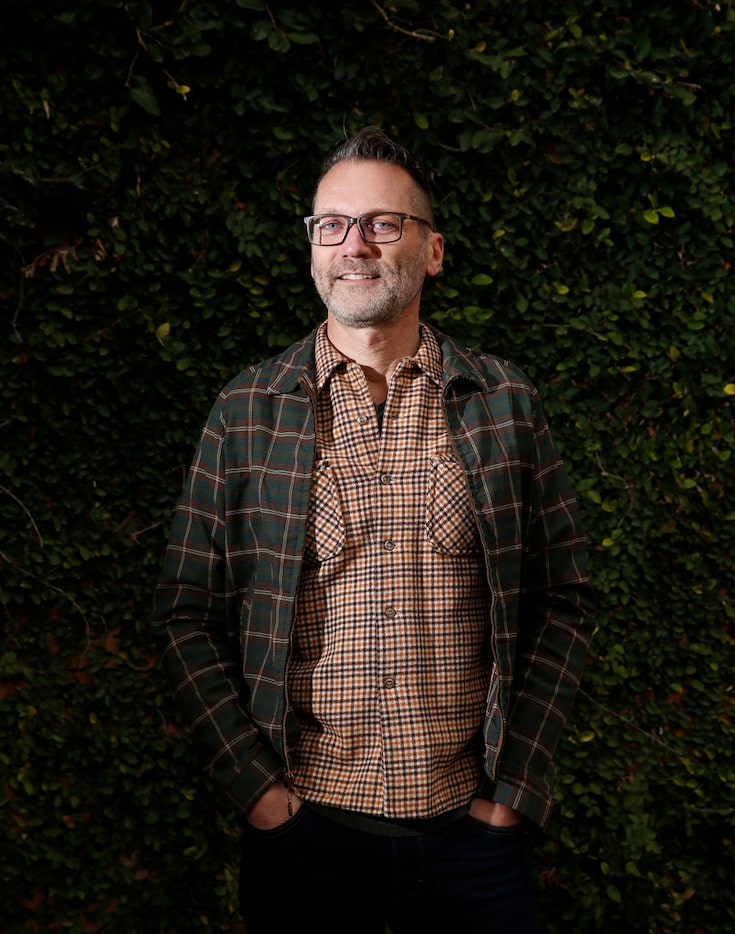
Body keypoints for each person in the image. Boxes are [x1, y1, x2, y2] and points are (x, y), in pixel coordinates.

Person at [152, 127, 596, 934]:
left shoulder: (503, 404)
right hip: (306, 835)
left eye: (382, 224)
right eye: (331, 224)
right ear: (313, 248)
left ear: (431, 252)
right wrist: (256, 793)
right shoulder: (246, 411)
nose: (353, 246)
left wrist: (513, 792)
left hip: (474, 837)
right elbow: (185, 612)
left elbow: (562, 600)